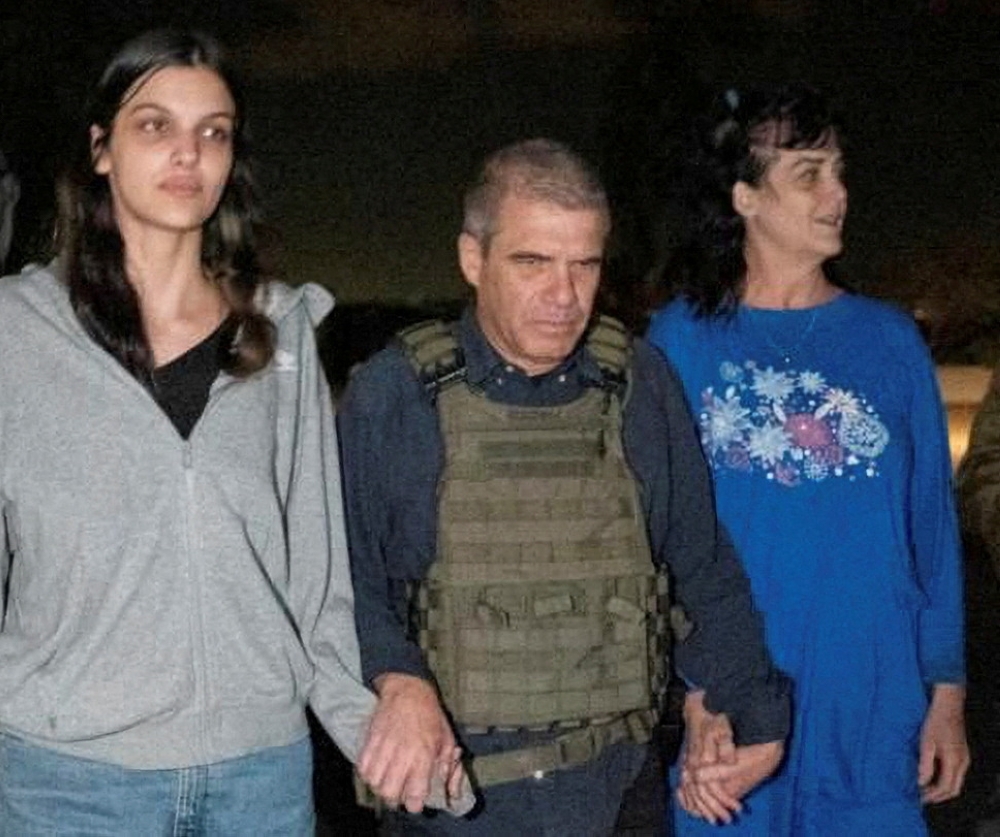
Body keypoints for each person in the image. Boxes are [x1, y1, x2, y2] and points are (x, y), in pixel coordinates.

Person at [0, 29, 470, 834]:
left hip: (260, 781)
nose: (188, 153)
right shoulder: (16, 334)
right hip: (65, 781)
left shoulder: (280, 334)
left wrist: (381, 715)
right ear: (101, 148)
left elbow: (318, 583)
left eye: (212, 132)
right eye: (155, 126)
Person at [337, 138, 791, 836]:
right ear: (471, 258)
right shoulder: (391, 395)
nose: (563, 295)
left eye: (584, 265)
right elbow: (343, 588)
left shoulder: (641, 383)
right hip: (455, 807)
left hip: (616, 794)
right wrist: (395, 678)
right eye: (532, 262)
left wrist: (754, 709)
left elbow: (700, 565)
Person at [647, 83, 969, 836]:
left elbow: (930, 527)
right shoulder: (681, 342)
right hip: (734, 710)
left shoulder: (890, 342)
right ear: (744, 197)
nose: (839, 193)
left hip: (871, 702)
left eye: (839, 170)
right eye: (809, 173)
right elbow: (659, 539)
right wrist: (697, 696)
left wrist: (946, 690)